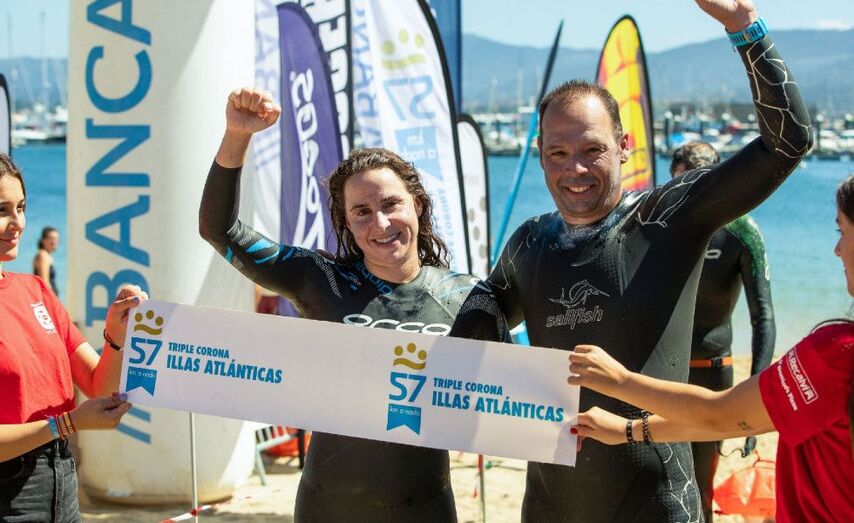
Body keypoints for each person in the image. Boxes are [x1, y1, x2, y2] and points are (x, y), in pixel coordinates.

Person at [450, 1, 811, 520]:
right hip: (551, 504)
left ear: (623, 146)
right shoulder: (528, 244)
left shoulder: (668, 217)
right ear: (539, 151)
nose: (574, 169)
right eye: (557, 153)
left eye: (591, 150)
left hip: (656, 499)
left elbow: (788, 143)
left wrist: (743, 27)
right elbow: (469, 337)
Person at [199, 88, 508, 522]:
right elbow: (219, 229)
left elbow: (514, 400)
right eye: (361, 211)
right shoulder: (321, 281)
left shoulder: (467, 298)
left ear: (417, 204)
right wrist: (237, 135)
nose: (380, 223)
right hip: (328, 508)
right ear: (346, 223)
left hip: (424, 510)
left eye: (391, 204)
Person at [568, 176, 854, 523]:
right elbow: (733, 421)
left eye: (841, 231)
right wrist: (626, 431)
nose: (837, 250)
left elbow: (721, 414)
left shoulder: (836, 354)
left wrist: (619, 381)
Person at [0, 152, 146, 522]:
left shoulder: (36, 291)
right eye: (2, 210)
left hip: (62, 480)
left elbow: (100, 385)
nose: (16, 222)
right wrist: (66, 423)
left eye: (21, 207)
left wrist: (115, 336)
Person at [670, 140, 776, 521]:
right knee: (654, 481)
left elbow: (762, 317)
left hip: (711, 376)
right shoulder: (658, 223)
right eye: (681, 187)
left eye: (701, 185)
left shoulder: (742, 232)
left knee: (699, 486)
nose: (690, 197)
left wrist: (759, 400)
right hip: (660, 374)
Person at [32, 226, 60, 296]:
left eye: (57, 239)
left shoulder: (46, 255)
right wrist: (52, 300)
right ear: (43, 240)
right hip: (47, 297)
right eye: (51, 238)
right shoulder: (43, 255)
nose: (55, 241)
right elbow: (44, 281)